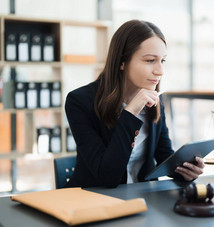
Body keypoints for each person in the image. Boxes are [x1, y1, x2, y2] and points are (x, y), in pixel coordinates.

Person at [65, 19, 205, 188]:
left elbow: (164, 157)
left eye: (162, 61)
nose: (160, 71)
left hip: (143, 197)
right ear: (122, 62)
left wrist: (186, 172)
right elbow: (106, 176)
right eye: (150, 60)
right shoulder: (80, 101)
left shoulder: (154, 100)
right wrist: (130, 113)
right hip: (95, 200)